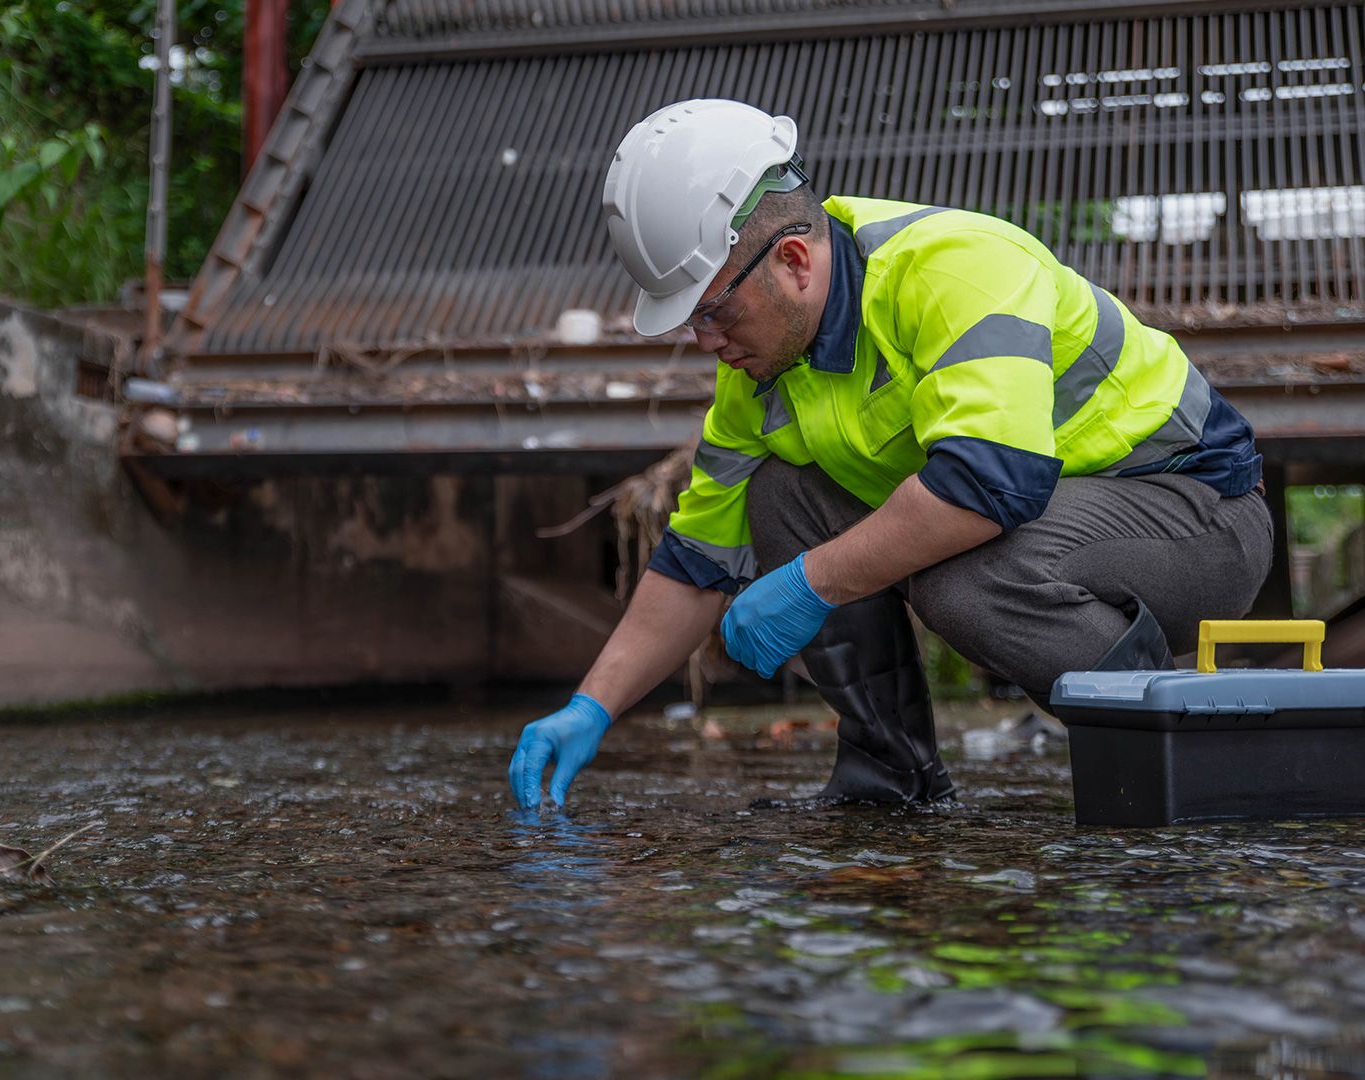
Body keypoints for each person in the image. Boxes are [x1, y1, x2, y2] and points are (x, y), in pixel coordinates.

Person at [508, 99, 1272, 810]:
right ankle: (890, 778)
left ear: (795, 262)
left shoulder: (954, 267)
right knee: (780, 493)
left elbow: (991, 482)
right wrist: (591, 706)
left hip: (1200, 517)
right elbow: (697, 562)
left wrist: (810, 581)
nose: (705, 341)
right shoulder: (760, 370)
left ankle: (1173, 760)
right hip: (1057, 522)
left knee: (967, 580)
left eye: (713, 311)